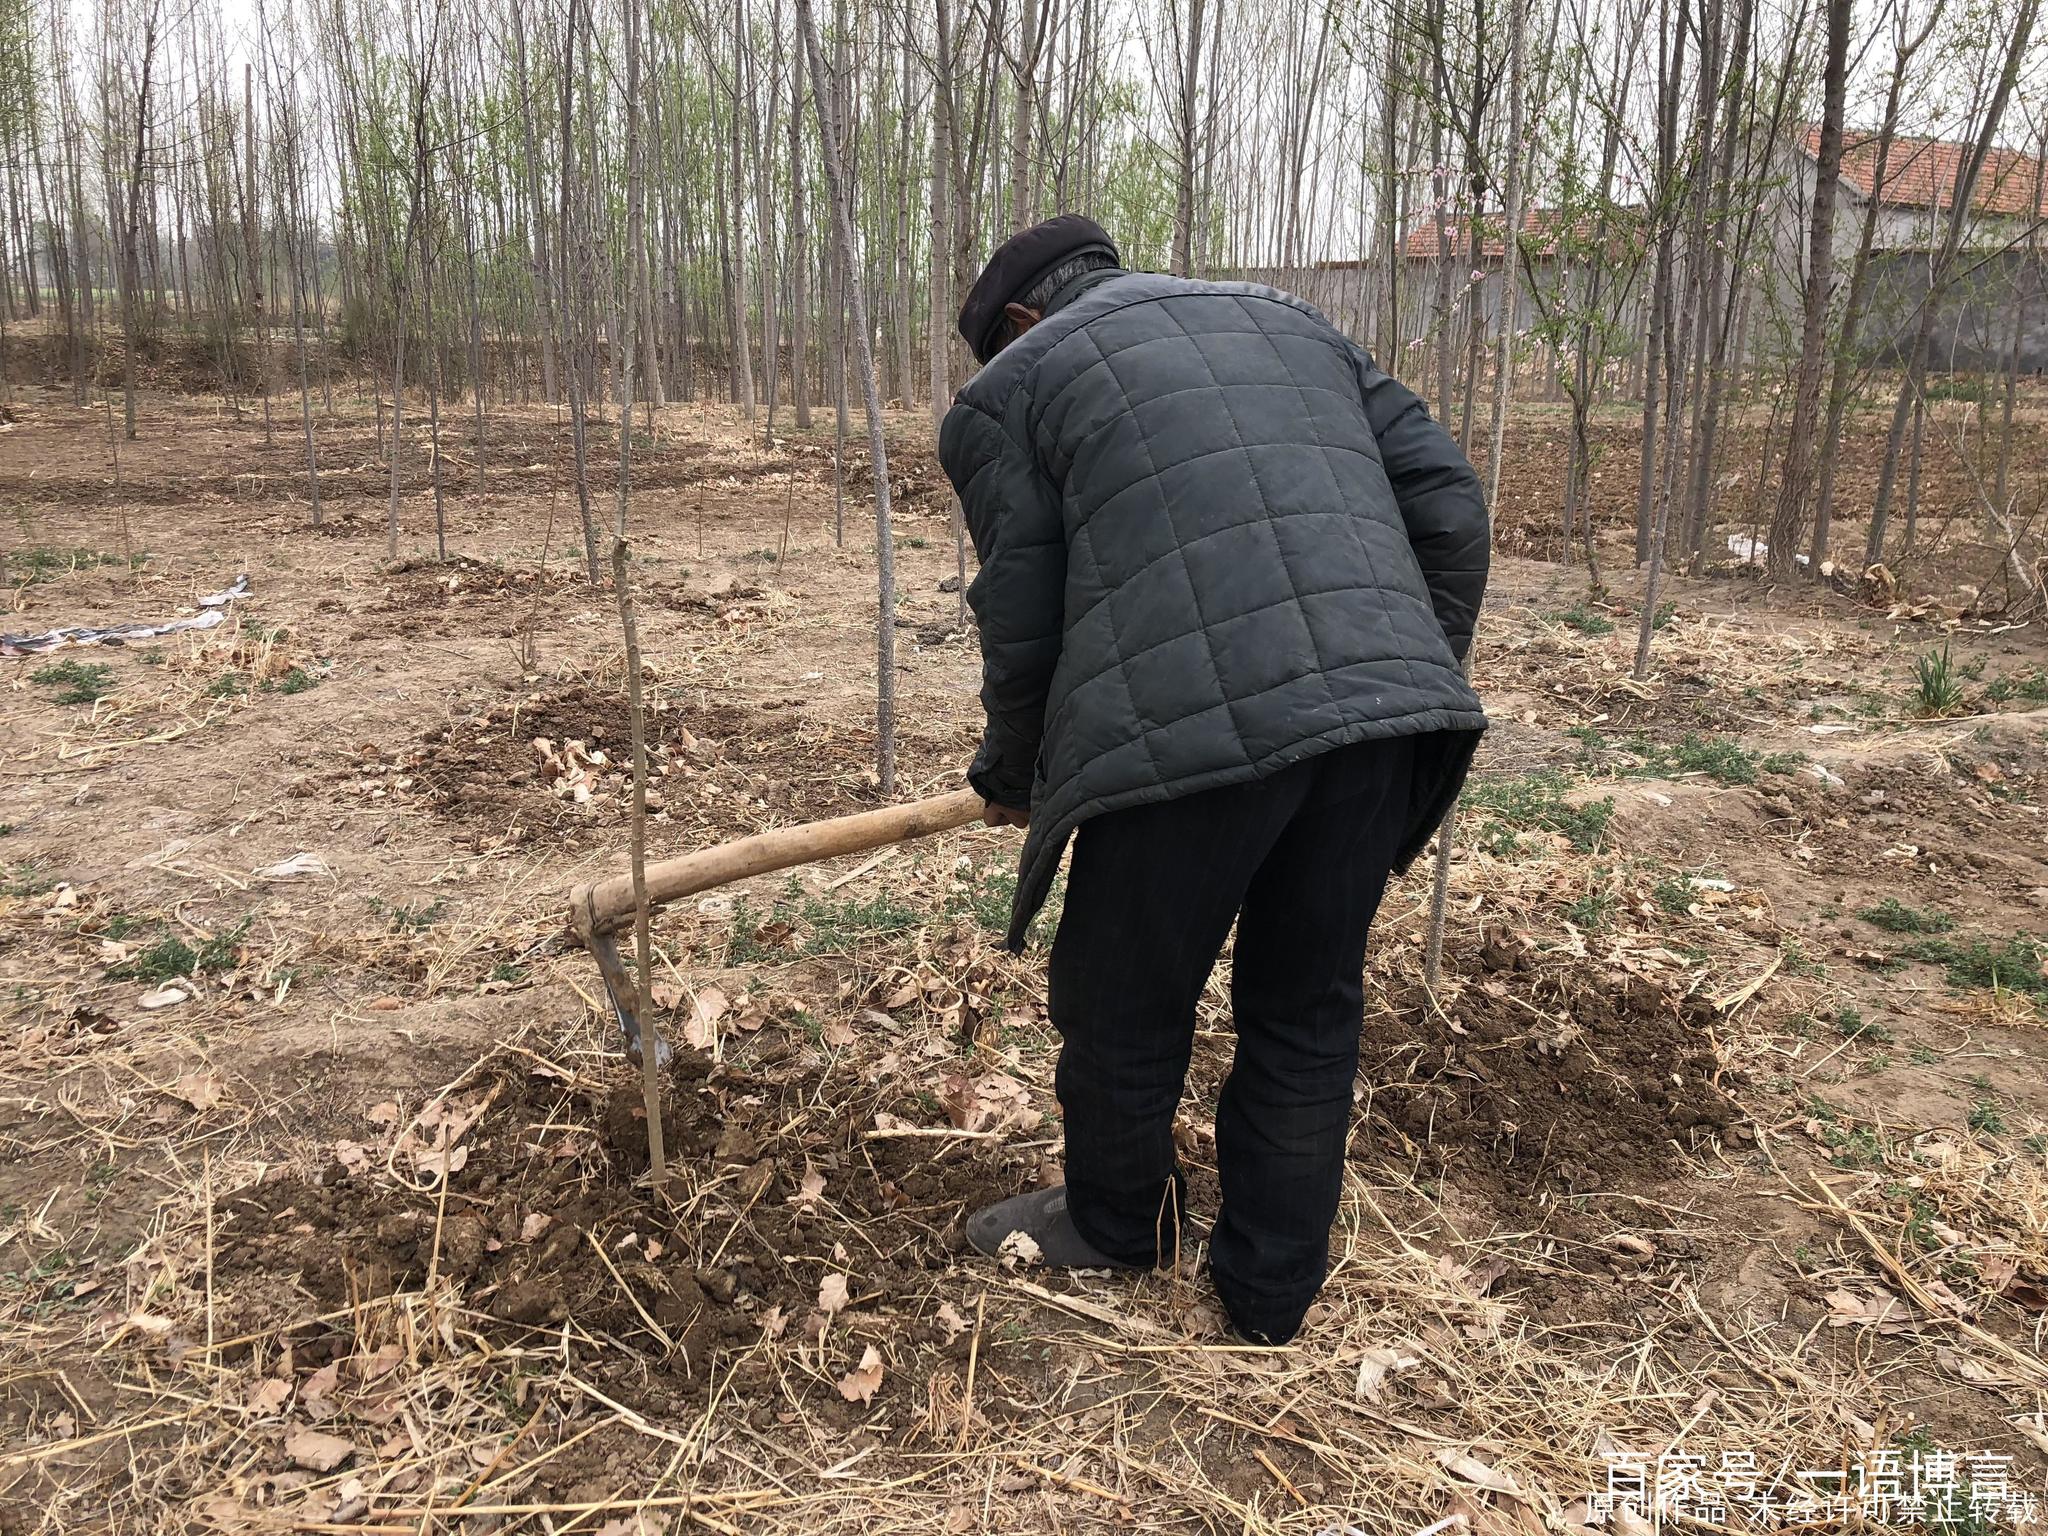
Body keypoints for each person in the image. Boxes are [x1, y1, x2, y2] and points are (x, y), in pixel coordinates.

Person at [936, 213, 1489, 1345]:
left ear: (1021, 323)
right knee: (1304, 1005)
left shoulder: (1015, 388)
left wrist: (1013, 770)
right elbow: (1449, 511)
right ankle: (1269, 1290)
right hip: (1381, 722)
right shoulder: (1291, 321)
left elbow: (1020, 614)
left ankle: (1114, 1224)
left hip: (1177, 743)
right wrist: (1392, 671)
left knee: (1121, 1001)